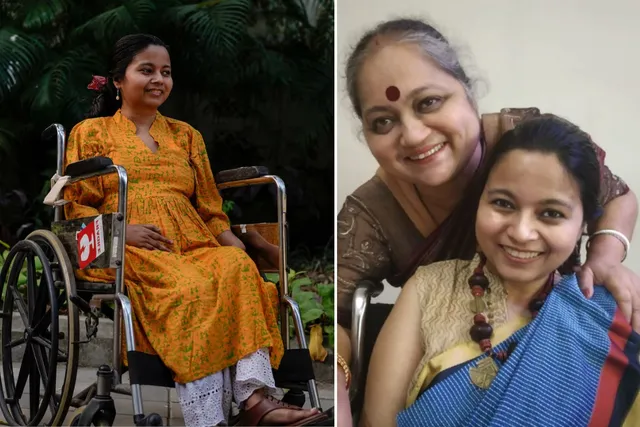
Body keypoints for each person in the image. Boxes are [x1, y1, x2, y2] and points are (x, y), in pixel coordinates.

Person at [336, 17, 640, 423]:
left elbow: (616, 195)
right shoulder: (372, 214)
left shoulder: (523, 140)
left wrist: (603, 258)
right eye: (383, 122)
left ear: (469, 93)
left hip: (559, 325)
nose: (411, 134)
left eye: (428, 102)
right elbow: (331, 314)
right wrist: (336, 381)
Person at [64, 33, 326, 426]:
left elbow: (209, 206)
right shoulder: (91, 132)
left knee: (236, 269)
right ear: (118, 80)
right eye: (146, 70)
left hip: (192, 241)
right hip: (128, 249)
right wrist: (121, 232)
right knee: (190, 288)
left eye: (166, 73)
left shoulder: (187, 135)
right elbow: (76, 204)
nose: (159, 80)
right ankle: (209, 415)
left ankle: (255, 401)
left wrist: (234, 245)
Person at [362, 116, 640, 426]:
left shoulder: (605, 315)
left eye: (551, 213)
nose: (521, 232)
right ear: (479, 202)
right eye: (503, 203)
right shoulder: (429, 289)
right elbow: (378, 422)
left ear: (583, 225)